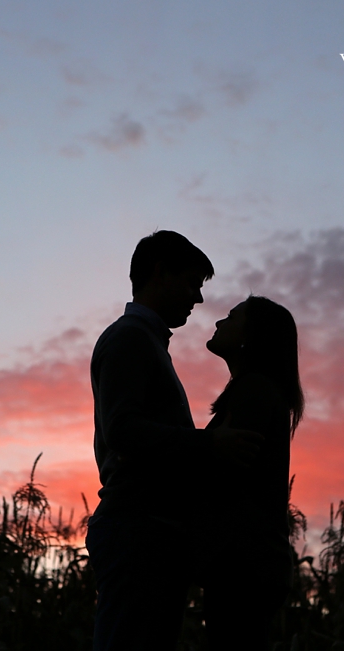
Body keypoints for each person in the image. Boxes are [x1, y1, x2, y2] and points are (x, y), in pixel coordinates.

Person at [86, 230, 264, 651]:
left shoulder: (145, 342)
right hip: (139, 530)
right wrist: (209, 445)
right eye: (192, 284)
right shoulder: (131, 338)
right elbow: (122, 430)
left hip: (150, 532)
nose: (198, 300)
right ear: (160, 273)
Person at [202, 295, 305, 651]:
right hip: (251, 563)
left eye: (230, 318)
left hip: (242, 566)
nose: (218, 323)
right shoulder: (259, 391)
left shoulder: (255, 390)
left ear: (251, 336)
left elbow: (219, 471)